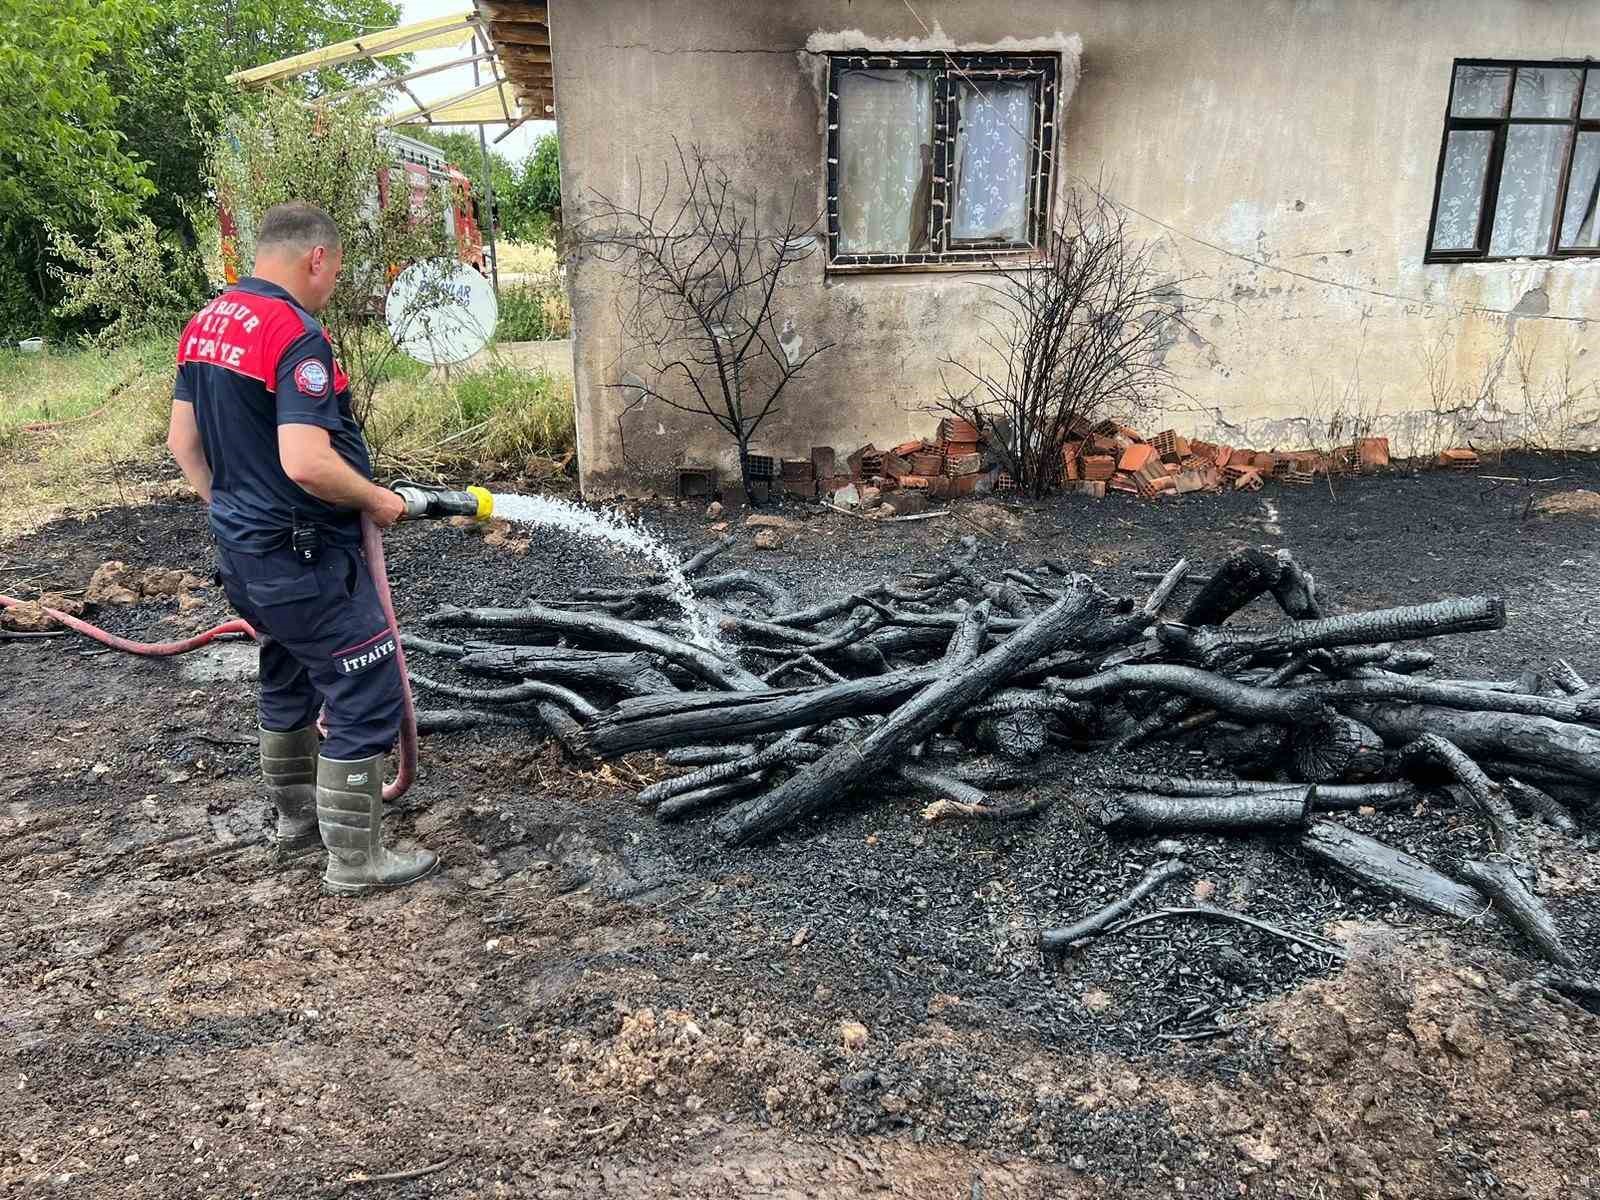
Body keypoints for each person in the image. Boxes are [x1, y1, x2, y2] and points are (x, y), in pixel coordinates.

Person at [166, 201, 437, 895]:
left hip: (247, 559)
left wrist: (236, 516)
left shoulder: (208, 323)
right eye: (335, 271)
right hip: (305, 556)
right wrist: (379, 501)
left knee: (287, 675)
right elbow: (307, 461)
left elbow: (183, 445)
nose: (332, 285)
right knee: (365, 684)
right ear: (317, 257)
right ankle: (356, 862)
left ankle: (296, 826)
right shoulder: (294, 334)